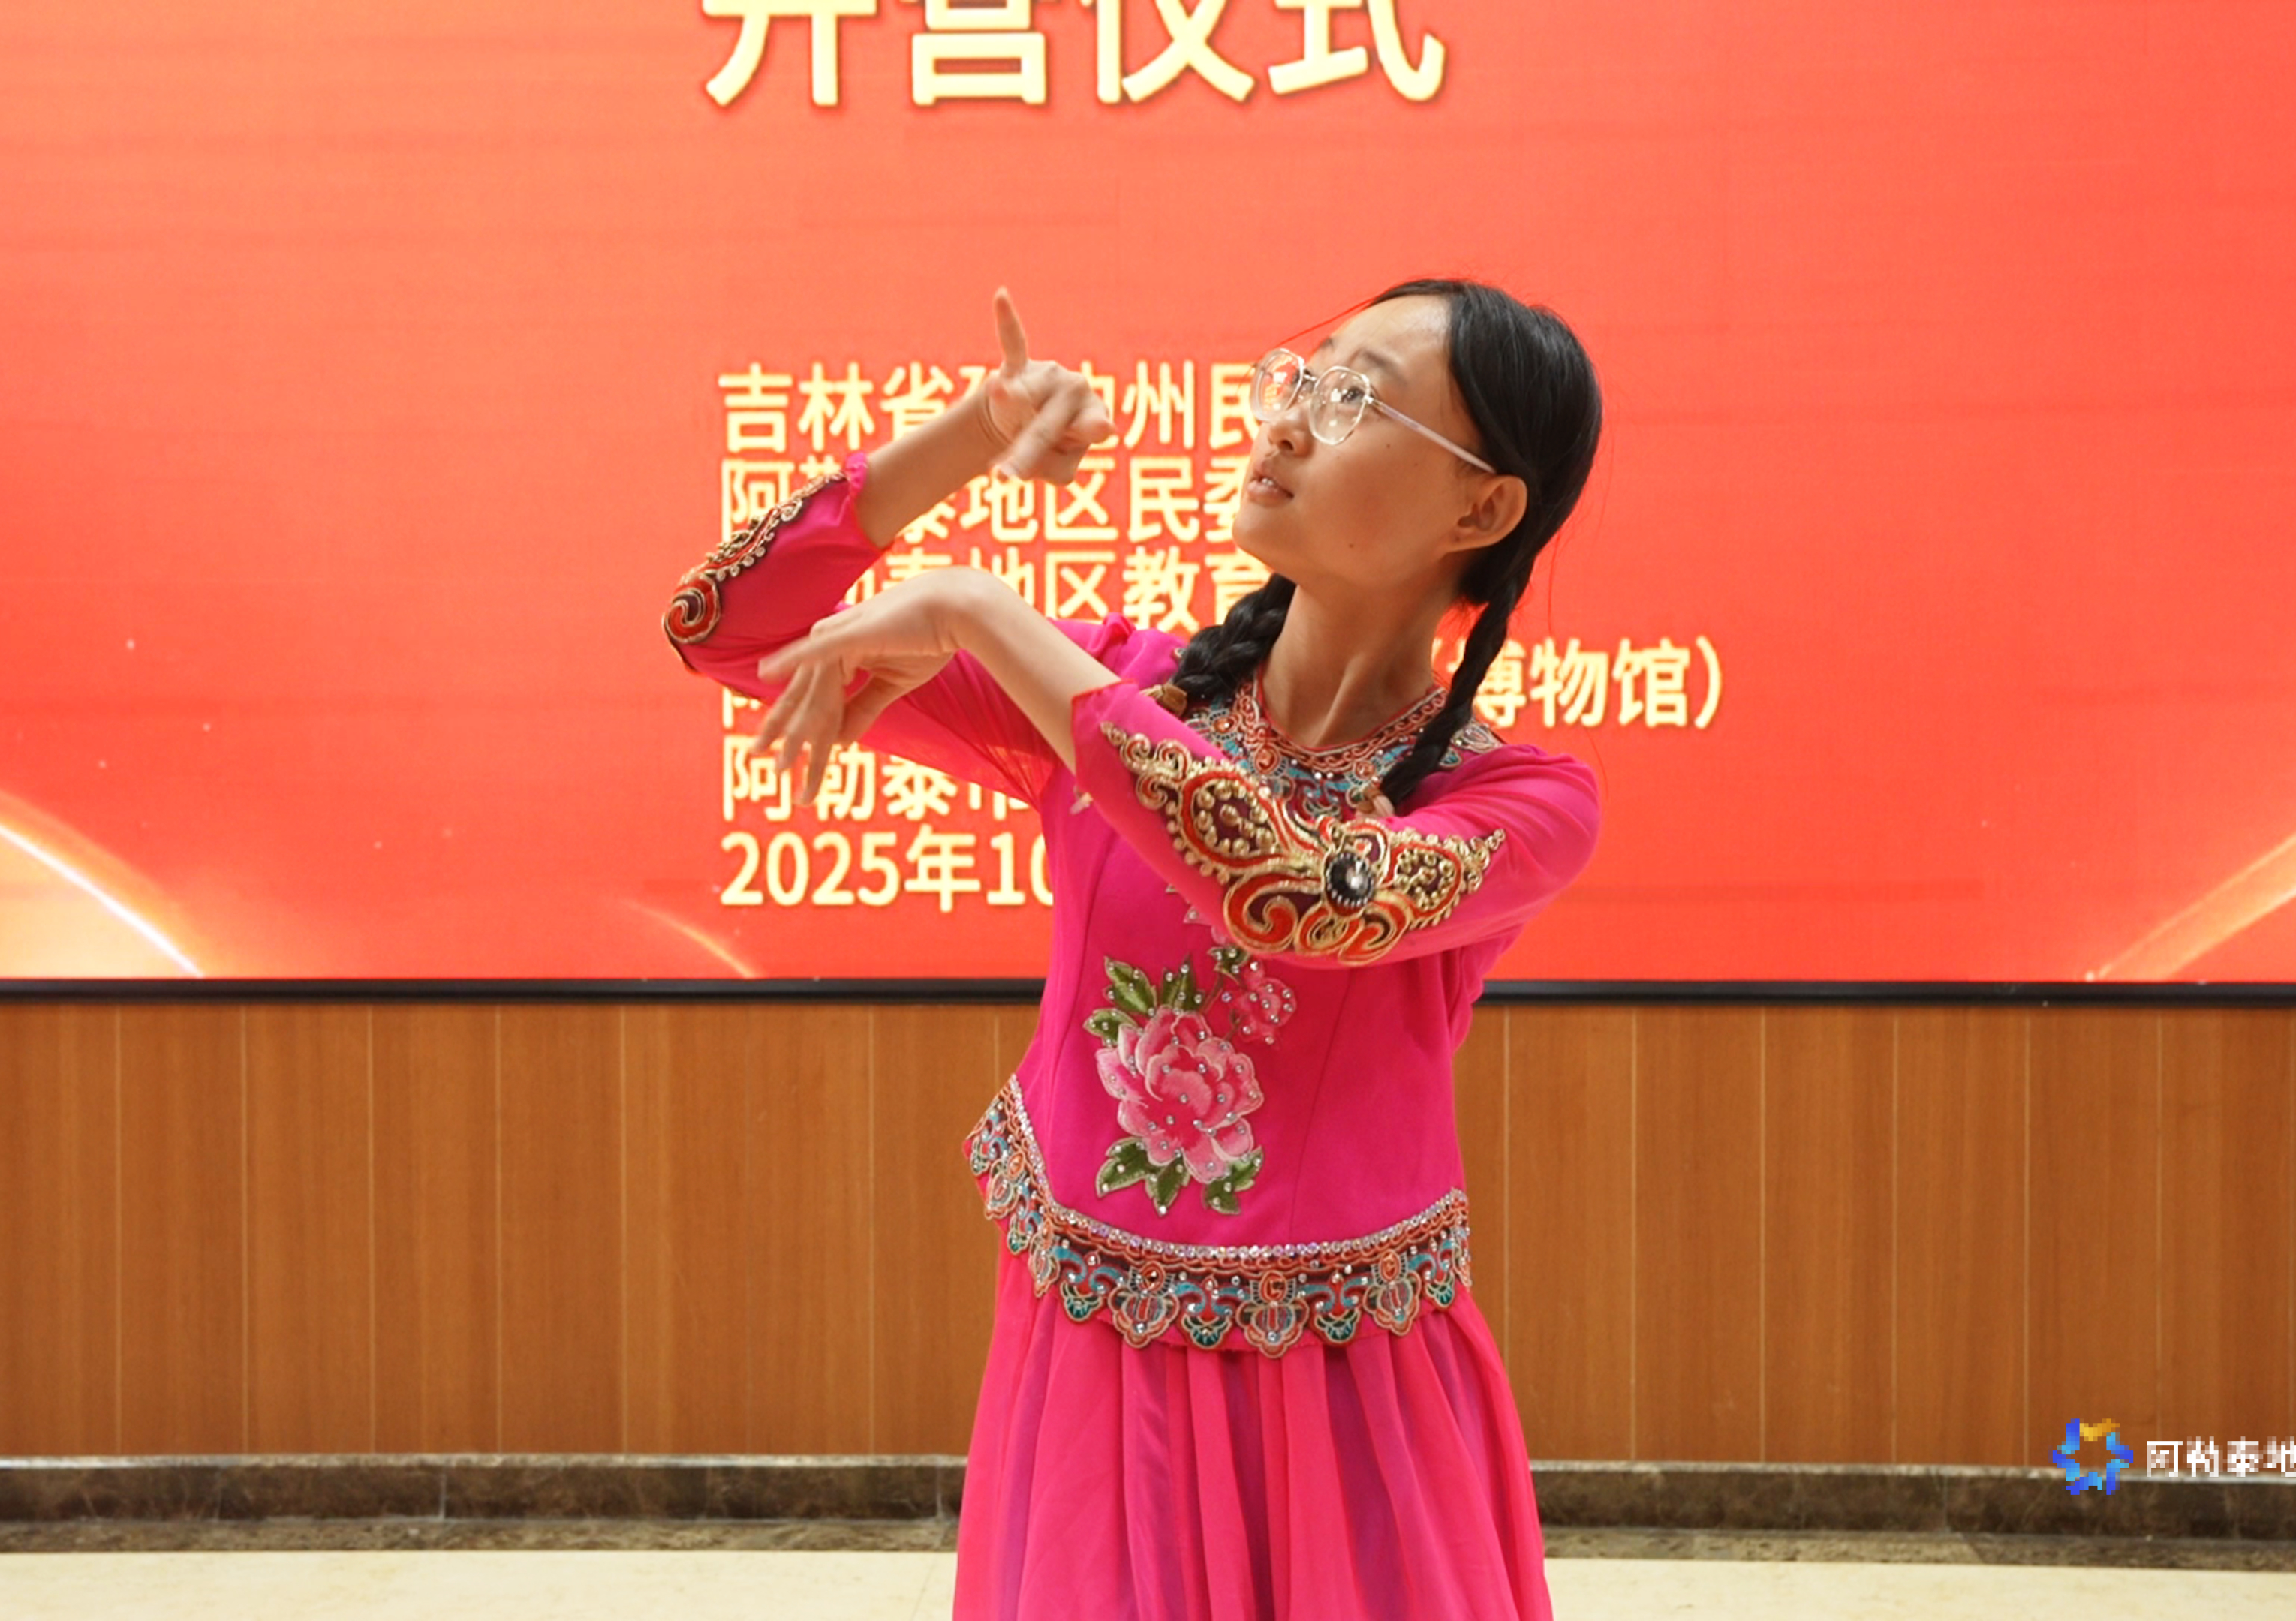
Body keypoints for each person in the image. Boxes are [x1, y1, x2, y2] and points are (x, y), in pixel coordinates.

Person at [662, 278, 1605, 1619]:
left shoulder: (1519, 803)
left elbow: (1297, 894)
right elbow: (728, 630)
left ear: (1483, 510)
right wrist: (968, 438)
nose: (1288, 422)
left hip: (1340, 1404)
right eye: (1301, 380)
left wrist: (985, 612)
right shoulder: (1122, 691)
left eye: (1356, 401)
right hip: (1088, 1377)